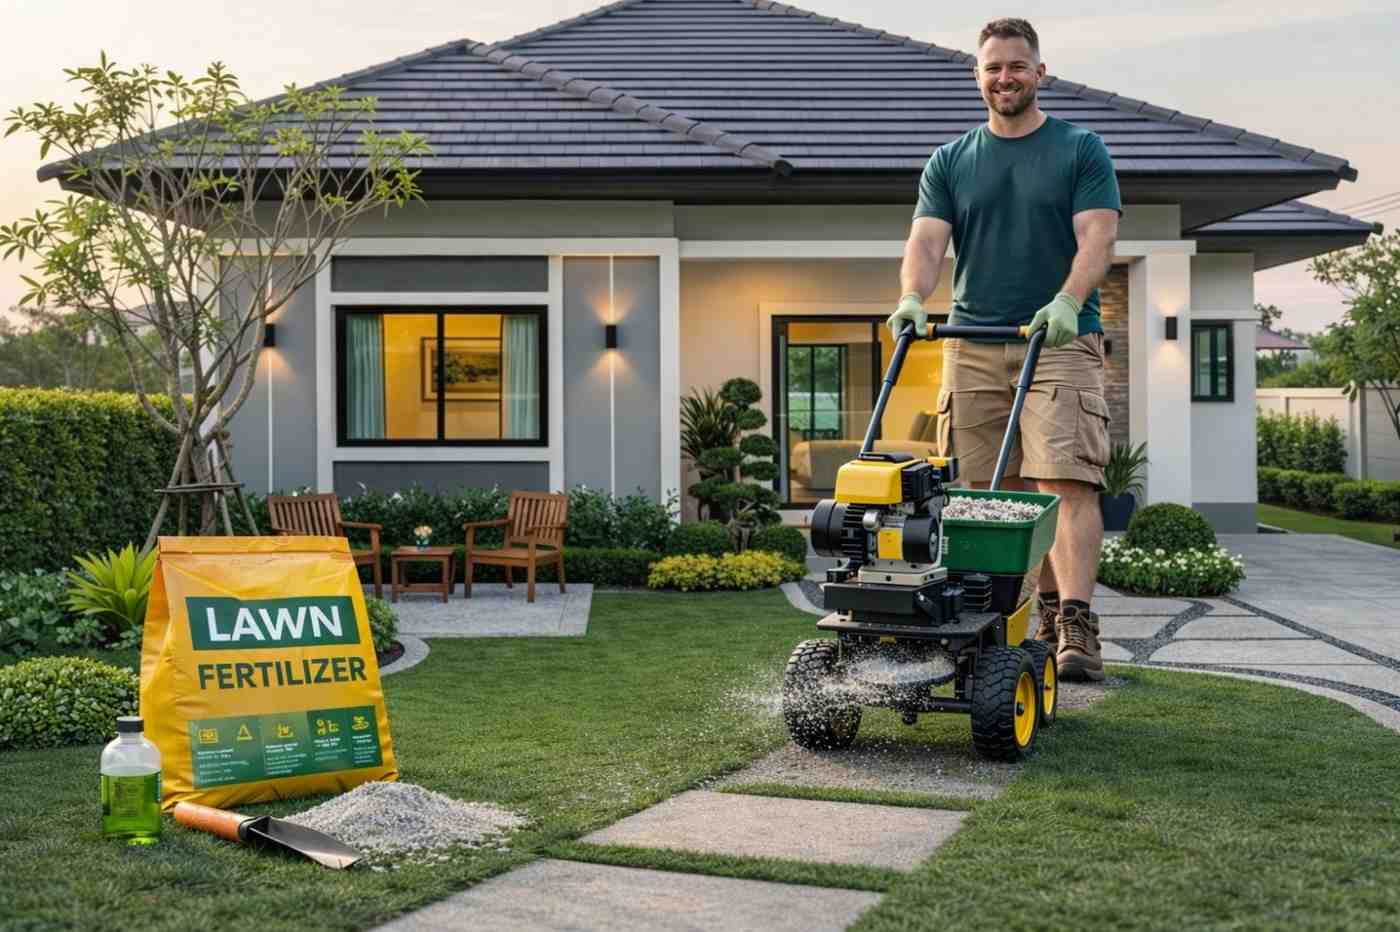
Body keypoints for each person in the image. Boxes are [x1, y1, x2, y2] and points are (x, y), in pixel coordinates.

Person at [888, 17, 1121, 681]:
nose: (1004, 77)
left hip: (1059, 336)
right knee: (994, 491)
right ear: (977, 77)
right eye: (993, 67)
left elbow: (1097, 239)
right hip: (975, 340)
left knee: (1064, 479)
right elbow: (927, 243)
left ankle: (1076, 625)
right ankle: (1036, 609)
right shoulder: (952, 160)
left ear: (1040, 73)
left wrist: (1069, 302)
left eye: (1016, 66)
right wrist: (912, 297)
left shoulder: (1080, 149)